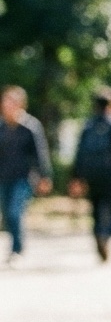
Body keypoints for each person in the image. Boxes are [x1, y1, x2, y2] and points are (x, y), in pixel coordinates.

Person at [70, 87, 111, 261]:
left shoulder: (88, 126)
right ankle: (106, 234)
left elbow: (79, 154)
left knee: (96, 212)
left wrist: (76, 177)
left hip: (91, 176)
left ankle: (99, 233)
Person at [0, 86, 53, 267]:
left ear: (21, 105)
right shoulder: (1, 128)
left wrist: (45, 177)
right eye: (5, 102)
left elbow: (41, 154)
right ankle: (15, 246)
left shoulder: (30, 127)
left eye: (11, 102)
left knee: (15, 212)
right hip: (4, 178)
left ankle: (17, 250)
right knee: (7, 215)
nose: (7, 106)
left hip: (24, 179)